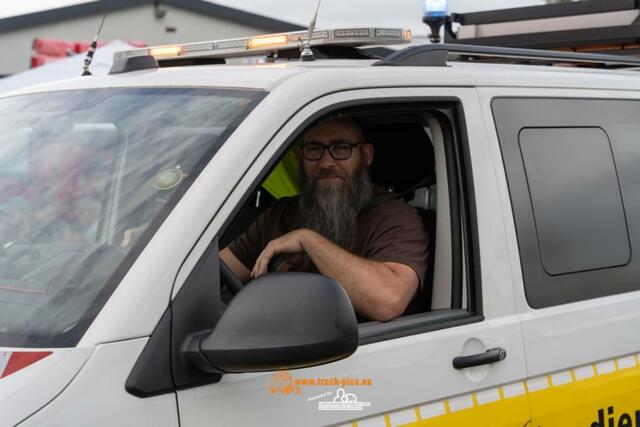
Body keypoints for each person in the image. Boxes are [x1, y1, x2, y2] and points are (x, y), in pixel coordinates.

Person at [220, 116, 430, 322]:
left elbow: (388, 301)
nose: (326, 162)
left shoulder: (396, 217)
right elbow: (210, 275)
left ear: (366, 155)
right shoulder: (282, 212)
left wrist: (308, 240)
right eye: (314, 149)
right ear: (300, 156)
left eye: (341, 148)